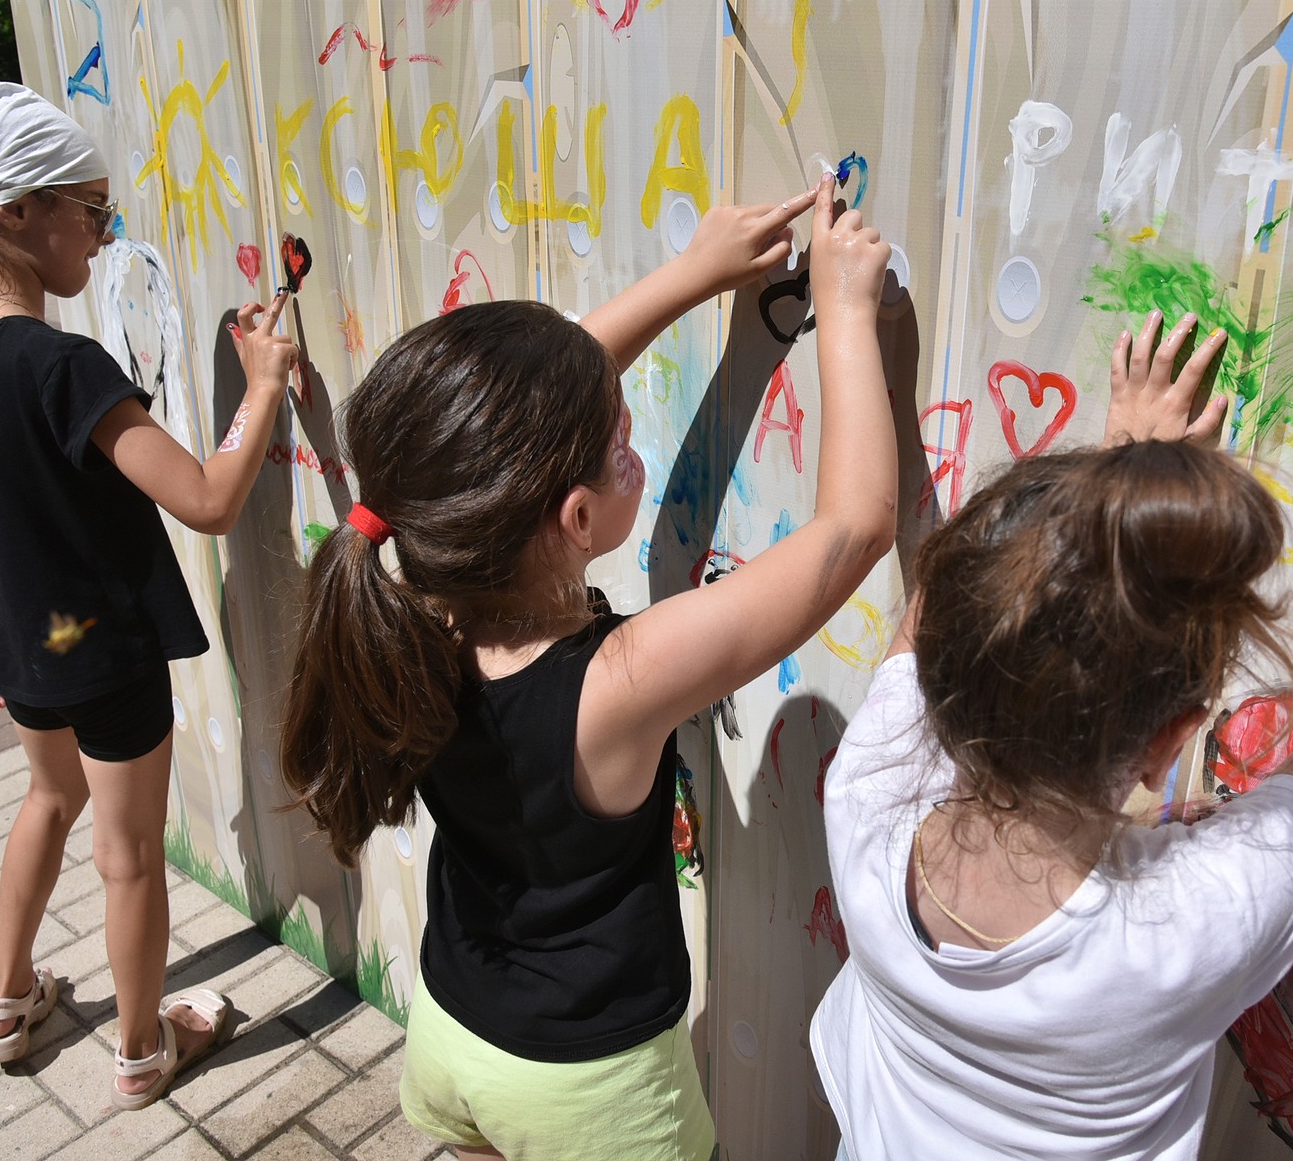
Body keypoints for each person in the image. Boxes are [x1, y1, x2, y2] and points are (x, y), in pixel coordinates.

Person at [278, 172, 897, 1160]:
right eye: (618, 440)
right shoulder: (619, 680)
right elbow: (856, 527)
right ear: (572, 517)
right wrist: (848, 306)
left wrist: (693, 275)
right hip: (589, 1095)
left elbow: (501, 438)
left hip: (453, 1032)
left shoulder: (421, 601)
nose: (628, 431)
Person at [810, 316, 1293, 1159]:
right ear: (1169, 741)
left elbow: (931, 614)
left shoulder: (866, 791)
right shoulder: (1186, 926)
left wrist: (1105, 487)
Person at [0, 58, 298, 1109]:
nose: (103, 237)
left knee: (49, 795)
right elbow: (204, 496)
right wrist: (260, 388)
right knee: (128, 856)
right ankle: (145, 1048)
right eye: (94, 214)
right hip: (100, 653)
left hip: (22, 645)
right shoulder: (62, 369)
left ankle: (5, 999)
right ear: (20, 209)